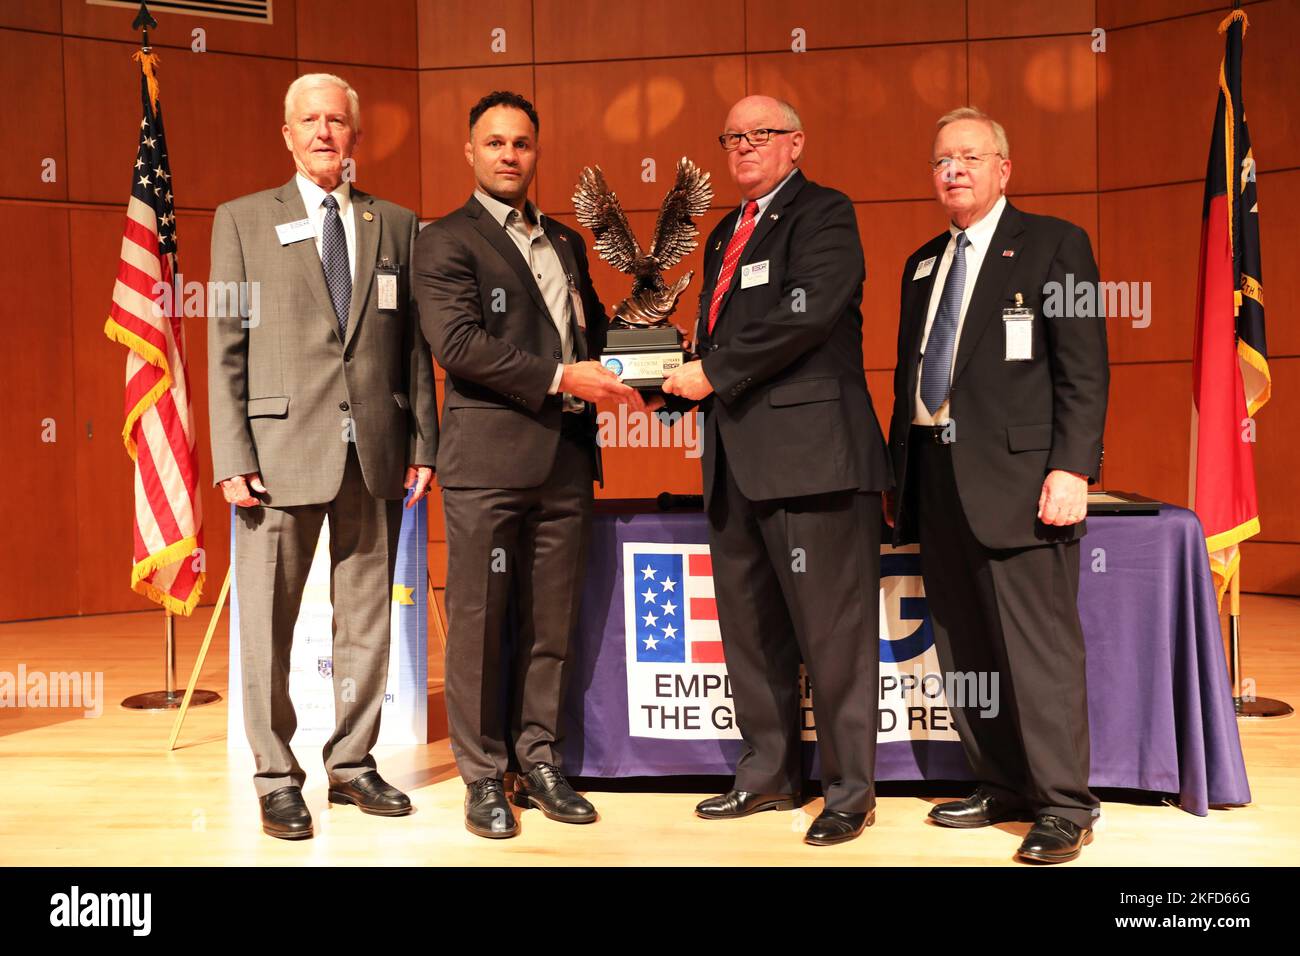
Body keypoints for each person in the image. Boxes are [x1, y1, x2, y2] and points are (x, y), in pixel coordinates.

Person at [657, 95, 892, 846]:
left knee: (832, 635)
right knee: (751, 633)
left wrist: (712, 372)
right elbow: (723, 339)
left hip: (815, 461)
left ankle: (849, 792)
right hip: (736, 461)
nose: (744, 148)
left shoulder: (825, 213)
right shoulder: (726, 230)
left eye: (760, 135)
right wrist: (669, 383)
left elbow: (808, 314)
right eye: (732, 138)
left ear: (796, 142)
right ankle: (767, 776)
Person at [208, 73, 438, 839]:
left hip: (374, 450)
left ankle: (353, 766)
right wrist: (231, 453)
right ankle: (276, 775)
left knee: (368, 621)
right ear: (286, 134)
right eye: (308, 121)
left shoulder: (397, 224)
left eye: (336, 122)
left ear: (355, 137)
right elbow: (224, 350)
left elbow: (412, 350)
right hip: (275, 455)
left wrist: (424, 442)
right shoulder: (241, 221)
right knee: (266, 628)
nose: (323, 134)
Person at [414, 91, 644, 839]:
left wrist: (649, 364)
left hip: (566, 460)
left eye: (521, 143)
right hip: (488, 461)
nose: (509, 154)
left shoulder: (568, 243)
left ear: (536, 152)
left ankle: (537, 758)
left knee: (551, 621)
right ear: (470, 153)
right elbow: (459, 344)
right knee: (480, 622)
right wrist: (561, 378)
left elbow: (590, 336)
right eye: (494, 143)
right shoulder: (445, 240)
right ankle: (483, 776)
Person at [886, 107, 1109, 863]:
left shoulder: (1054, 244)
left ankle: (1063, 804)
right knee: (966, 643)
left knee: (1037, 647)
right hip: (936, 474)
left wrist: (1073, 467)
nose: (953, 170)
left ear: (1003, 168)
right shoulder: (922, 262)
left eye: (970, 157)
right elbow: (909, 377)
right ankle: (1001, 780)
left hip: (1022, 480)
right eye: (941, 159)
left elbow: (1085, 368)